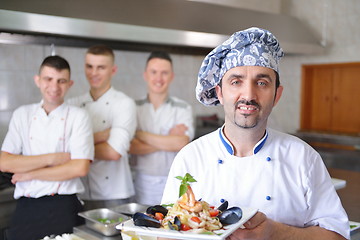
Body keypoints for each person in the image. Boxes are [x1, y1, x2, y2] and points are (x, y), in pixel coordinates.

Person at [161, 27, 349, 240]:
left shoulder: (303, 158)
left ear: (277, 95)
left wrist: (275, 232)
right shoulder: (190, 157)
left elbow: (339, 236)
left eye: (262, 83)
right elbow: (165, 234)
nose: (249, 95)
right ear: (220, 92)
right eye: (236, 81)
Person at [0, 55, 94, 240]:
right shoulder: (22, 114)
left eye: (61, 81)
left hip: (64, 206)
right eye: (48, 79)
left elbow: (79, 167)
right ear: (38, 80)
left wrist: (29, 174)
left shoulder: (79, 116)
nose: (54, 87)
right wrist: (53, 159)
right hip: (27, 206)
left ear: (70, 84)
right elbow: (4, 163)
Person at [68, 45, 137, 210]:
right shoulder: (73, 104)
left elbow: (113, 152)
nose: (93, 73)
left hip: (115, 194)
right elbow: (62, 146)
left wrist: (77, 149)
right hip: (82, 192)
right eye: (89, 66)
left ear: (113, 70)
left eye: (101, 67)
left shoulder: (124, 104)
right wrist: (102, 136)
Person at [129, 51, 194, 205]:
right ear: (145, 75)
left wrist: (140, 134)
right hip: (141, 181)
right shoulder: (133, 107)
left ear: (172, 76)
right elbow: (130, 146)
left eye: (164, 73)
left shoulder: (183, 107)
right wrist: (168, 138)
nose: (159, 78)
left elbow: (180, 143)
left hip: (174, 180)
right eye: (154, 72)